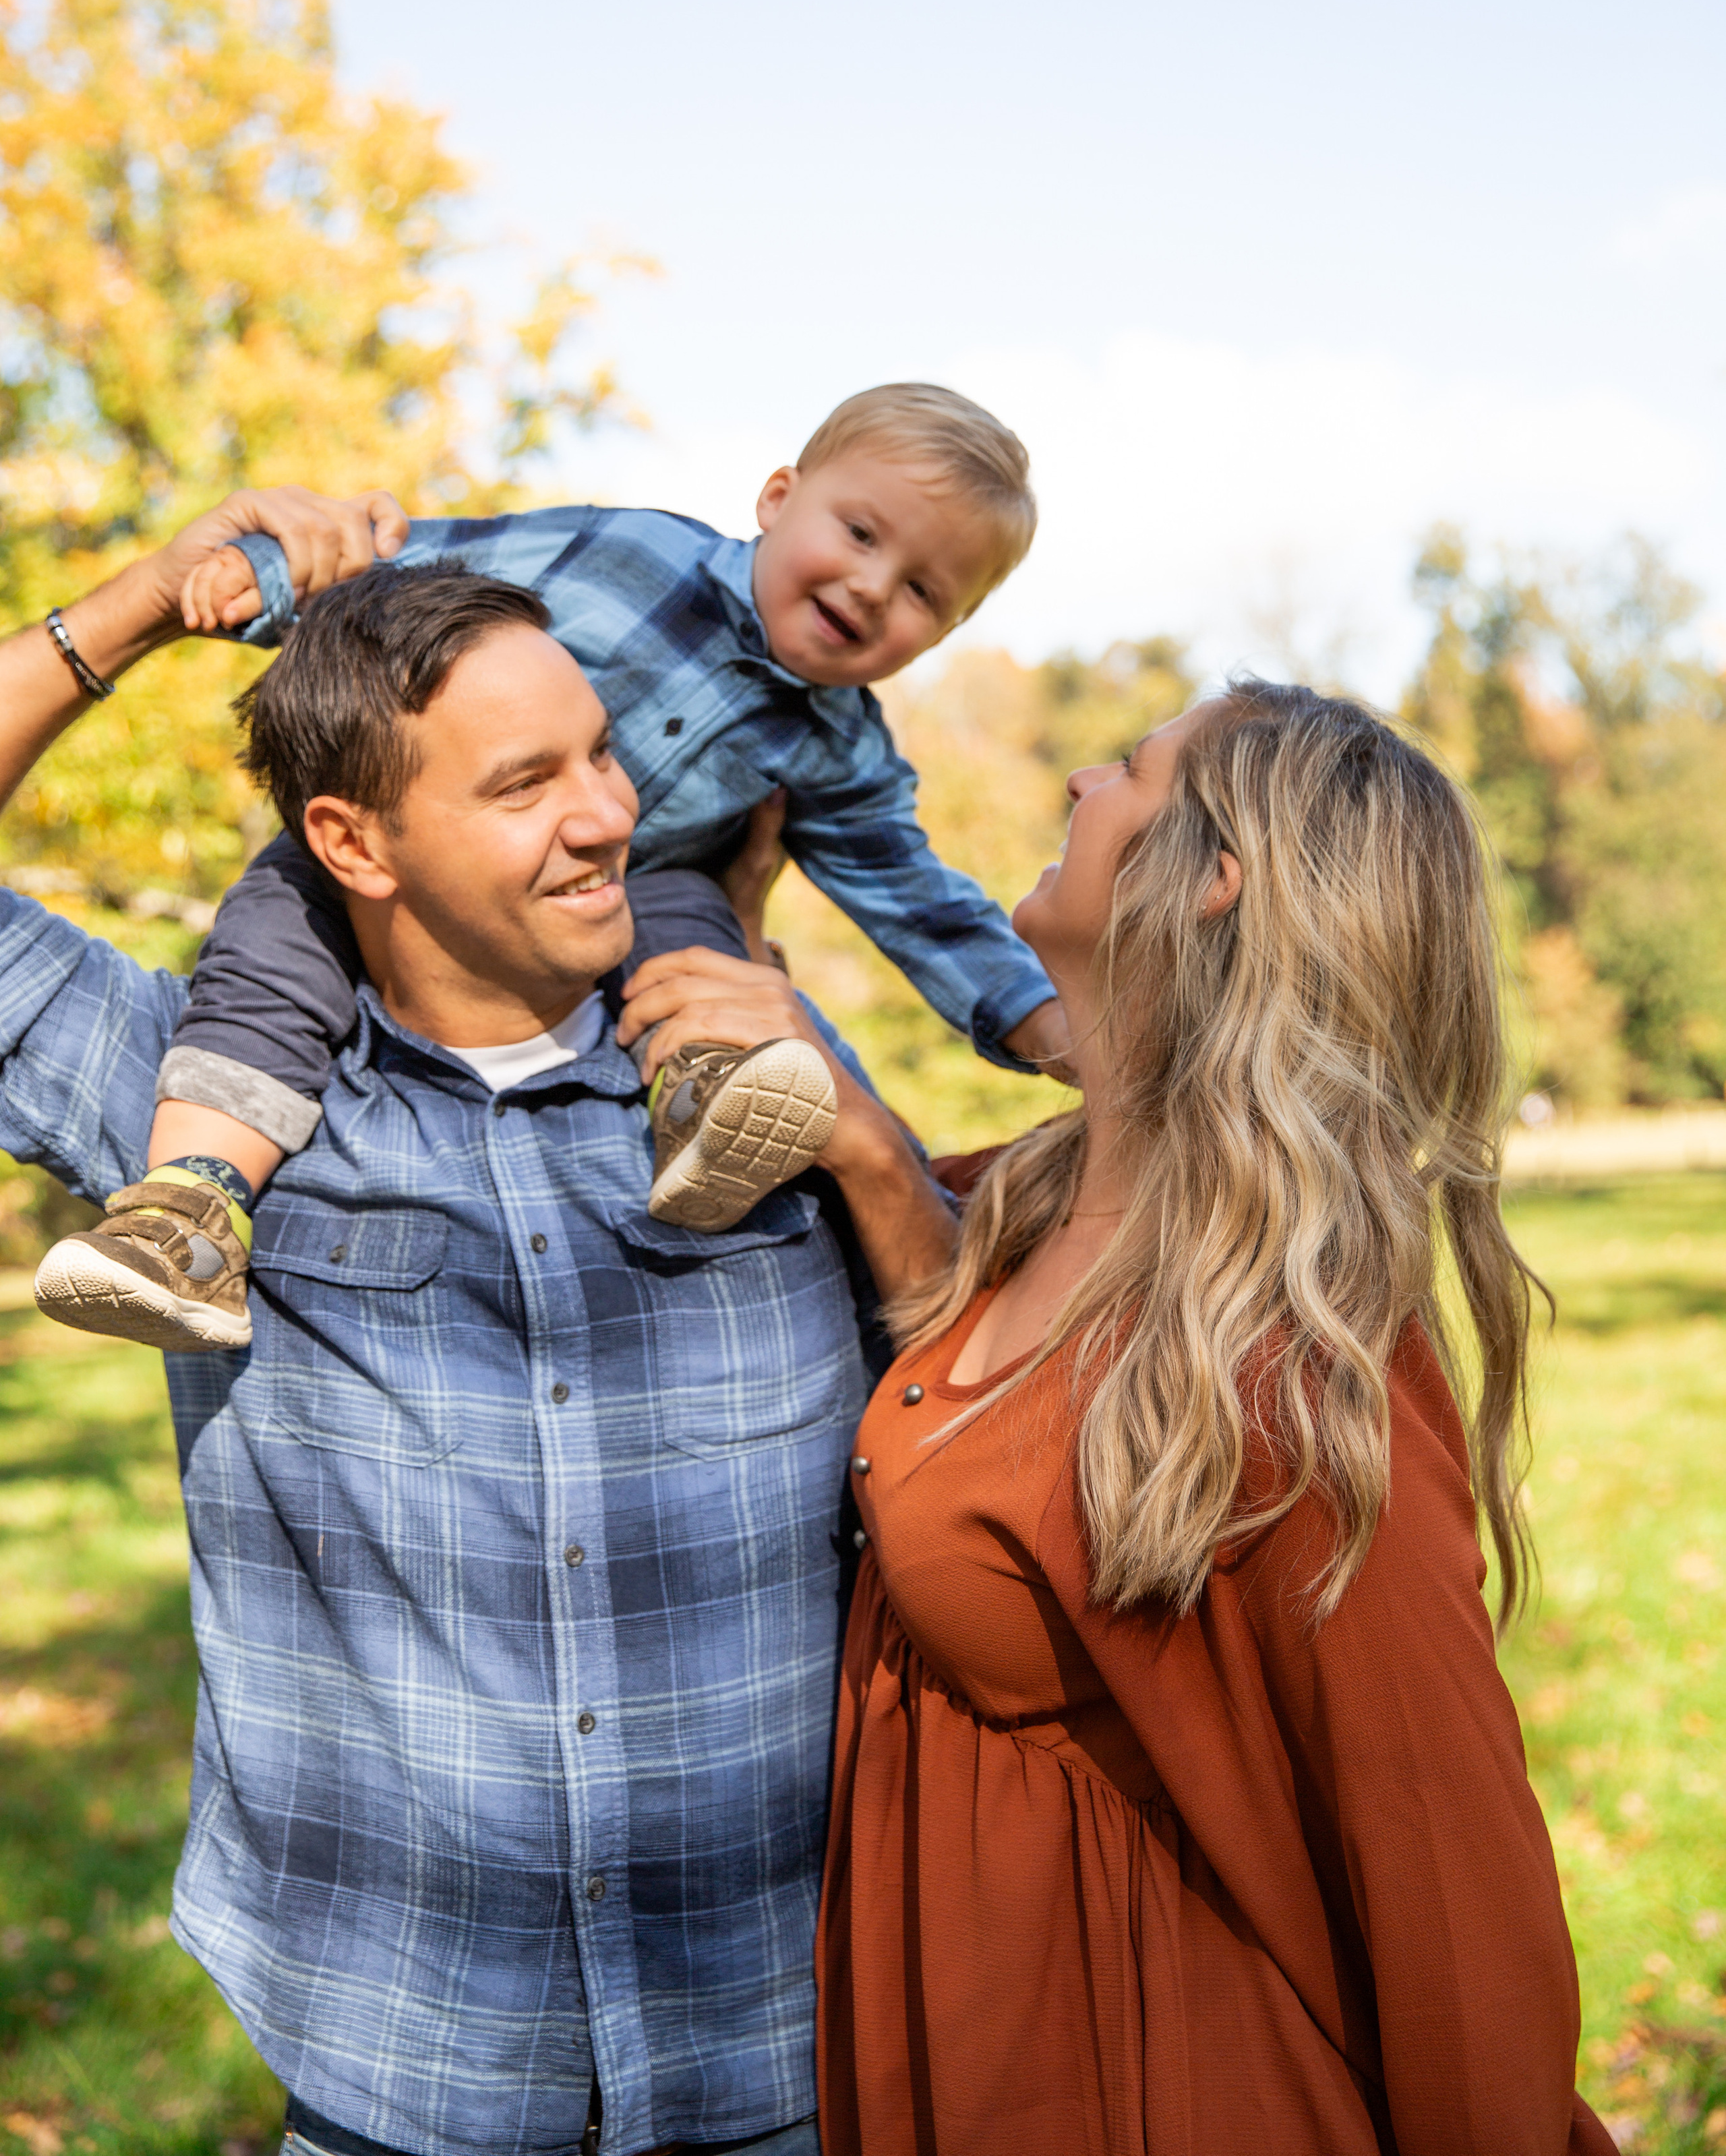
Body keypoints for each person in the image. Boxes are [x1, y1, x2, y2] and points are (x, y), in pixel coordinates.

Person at [0, 496, 959, 2156]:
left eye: (599, 754)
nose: (606, 818)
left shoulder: (755, 1081)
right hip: (399, 2063)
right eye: (526, 785)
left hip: (787, 2054)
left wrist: (870, 1153)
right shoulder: (199, 1110)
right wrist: (139, 609)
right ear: (354, 844)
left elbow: (977, 1423)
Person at [818, 680, 1615, 2156]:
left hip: (1164, 2086)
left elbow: (1450, 1889)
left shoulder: (1279, 1366)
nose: (1072, 775)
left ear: (1213, 874)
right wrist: (867, 1167)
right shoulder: (1027, 1201)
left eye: (1125, 766)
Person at [34, 382, 1065, 1353]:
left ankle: (708, 1106)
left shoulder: (844, 753)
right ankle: (189, 1208)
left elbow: (921, 904)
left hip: (636, 904)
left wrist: (1056, 1030)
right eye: (860, 533)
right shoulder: (630, 552)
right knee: (265, 968)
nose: (872, 587)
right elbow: (413, 587)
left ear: (951, 631)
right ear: (780, 497)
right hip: (385, 865)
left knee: (692, 923)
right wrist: (249, 583)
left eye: (925, 591)